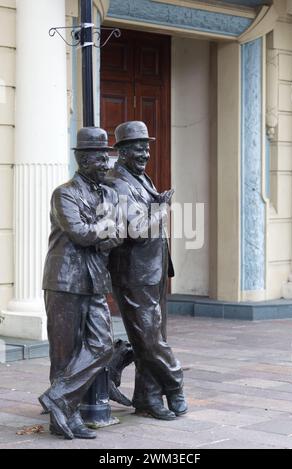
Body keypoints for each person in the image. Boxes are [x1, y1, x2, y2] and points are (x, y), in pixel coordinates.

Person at [39, 127, 123, 439]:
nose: (106, 163)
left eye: (107, 157)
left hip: (96, 280)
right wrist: (101, 229)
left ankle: (57, 398)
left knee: (101, 346)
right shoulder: (65, 194)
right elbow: (81, 234)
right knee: (65, 352)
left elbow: (116, 236)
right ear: (83, 159)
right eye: (100, 158)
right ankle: (66, 417)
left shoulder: (110, 194)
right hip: (65, 280)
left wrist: (100, 232)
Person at [107, 121, 187, 421]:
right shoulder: (117, 182)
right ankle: (175, 383)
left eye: (147, 147)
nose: (146, 153)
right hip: (133, 274)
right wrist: (163, 208)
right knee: (150, 339)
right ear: (123, 152)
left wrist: (156, 203)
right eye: (139, 148)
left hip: (154, 271)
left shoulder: (140, 178)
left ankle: (148, 399)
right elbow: (135, 229)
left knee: (151, 339)